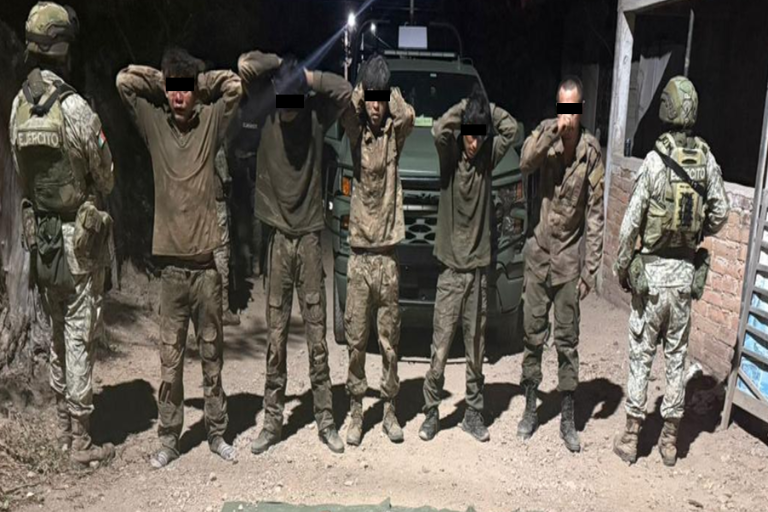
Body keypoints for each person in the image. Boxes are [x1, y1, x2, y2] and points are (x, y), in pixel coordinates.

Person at [116, 47, 242, 468]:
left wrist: (197, 81)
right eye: (173, 90)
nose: (178, 97)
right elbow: (123, 82)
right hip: (171, 273)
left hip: (206, 270)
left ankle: (217, 433)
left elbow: (235, 85)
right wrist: (165, 79)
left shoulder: (210, 123)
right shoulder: (154, 124)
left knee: (212, 359)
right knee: (170, 365)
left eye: (185, 90)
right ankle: (169, 439)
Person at [10, 1, 115, 467]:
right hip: (77, 240)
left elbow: (22, 175)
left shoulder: (18, 107)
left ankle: (60, 429)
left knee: (56, 329)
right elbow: (106, 176)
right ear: (64, 49)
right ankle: (81, 440)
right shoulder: (74, 108)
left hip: (44, 239)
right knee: (78, 332)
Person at [237, 51, 352, 455]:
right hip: (277, 240)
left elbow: (346, 91)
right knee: (276, 338)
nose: (287, 112)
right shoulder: (267, 113)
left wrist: (308, 77)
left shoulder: (316, 115)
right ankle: (272, 422)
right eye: (283, 101)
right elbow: (244, 66)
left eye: (293, 102)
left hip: (308, 240)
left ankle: (325, 420)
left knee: (317, 338)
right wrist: (278, 66)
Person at [612, 76, 729, 466]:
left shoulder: (655, 161)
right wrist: (697, 231)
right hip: (682, 280)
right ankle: (669, 442)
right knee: (677, 358)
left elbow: (629, 227)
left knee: (641, 355)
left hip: (652, 279)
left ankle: (632, 438)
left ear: (667, 108)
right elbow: (721, 213)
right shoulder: (706, 160)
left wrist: (622, 266)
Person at [418, 87, 518, 443]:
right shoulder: (449, 156)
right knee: (441, 348)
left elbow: (511, 129)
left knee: (476, 349)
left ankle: (473, 413)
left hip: (477, 271)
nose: (474, 144)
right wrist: (465, 107)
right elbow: (438, 130)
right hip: (450, 270)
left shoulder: (487, 157)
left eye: (479, 136)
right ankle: (431, 412)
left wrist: (484, 108)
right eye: (469, 136)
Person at [517, 76, 605, 453]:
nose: (567, 115)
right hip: (539, 255)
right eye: (561, 108)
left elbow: (596, 215)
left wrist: (590, 270)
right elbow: (525, 162)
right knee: (532, 336)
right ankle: (530, 408)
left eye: (572, 109)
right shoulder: (546, 136)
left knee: (567, 342)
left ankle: (568, 416)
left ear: (580, 109)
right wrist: (552, 132)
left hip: (568, 262)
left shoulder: (591, 152)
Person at [338, 55, 415, 446]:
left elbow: (408, 116)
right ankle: (356, 413)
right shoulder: (356, 134)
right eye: (371, 98)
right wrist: (362, 87)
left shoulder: (393, 136)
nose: (375, 106)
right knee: (356, 342)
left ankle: (389, 411)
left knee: (389, 343)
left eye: (380, 100)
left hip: (386, 257)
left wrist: (388, 89)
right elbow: (344, 112)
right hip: (360, 257)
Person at [213, 145, 241, 326]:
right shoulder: (215, 140)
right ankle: (222, 309)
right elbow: (225, 177)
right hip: (216, 203)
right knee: (221, 252)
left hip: (195, 202)